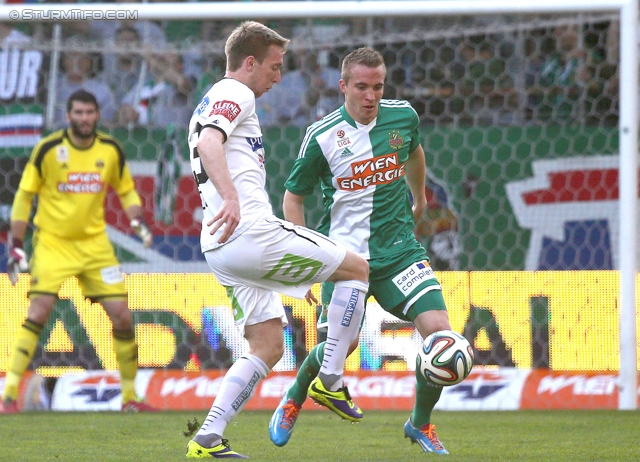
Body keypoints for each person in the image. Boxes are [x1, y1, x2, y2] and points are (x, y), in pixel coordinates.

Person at [185, 21, 369, 459]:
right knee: (358, 268)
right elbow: (211, 143)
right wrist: (231, 197)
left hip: (222, 246)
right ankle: (330, 381)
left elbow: (210, 140)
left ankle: (208, 437)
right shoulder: (236, 92)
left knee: (266, 344)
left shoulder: (210, 100)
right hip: (249, 231)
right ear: (249, 63)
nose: (278, 76)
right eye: (274, 66)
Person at [269, 47, 454, 455]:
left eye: (378, 87)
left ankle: (420, 423)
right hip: (344, 260)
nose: (370, 96)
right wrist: (309, 260)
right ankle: (294, 398)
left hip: (400, 252)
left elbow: (415, 151)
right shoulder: (321, 136)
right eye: (361, 87)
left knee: (442, 337)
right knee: (342, 346)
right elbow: (292, 199)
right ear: (343, 87)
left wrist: (419, 196)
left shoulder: (402, 117)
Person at [0, 89, 155, 414]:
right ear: (68, 116)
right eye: (78, 113)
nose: (84, 118)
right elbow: (24, 194)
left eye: (89, 112)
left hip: (94, 246)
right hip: (53, 243)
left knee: (122, 316)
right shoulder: (49, 149)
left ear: (97, 115)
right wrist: (15, 243)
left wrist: (137, 220)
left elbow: (125, 189)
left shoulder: (110, 149)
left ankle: (130, 397)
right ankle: (9, 394)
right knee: (38, 312)